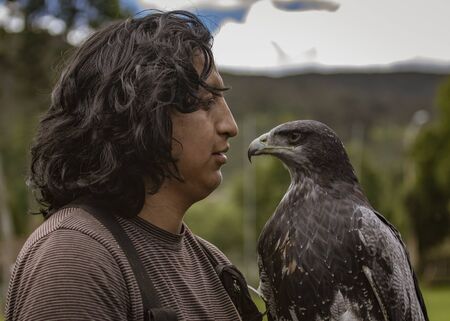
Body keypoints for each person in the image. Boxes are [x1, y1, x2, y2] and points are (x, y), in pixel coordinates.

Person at [5, 10, 254, 321]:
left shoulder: (214, 264)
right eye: (205, 101)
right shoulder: (75, 258)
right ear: (139, 111)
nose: (230, 126)